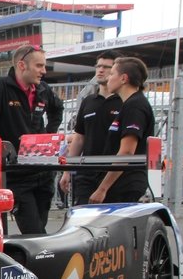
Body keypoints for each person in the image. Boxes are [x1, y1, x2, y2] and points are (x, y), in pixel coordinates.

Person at [0, 44, 63, 234]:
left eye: (44, 66)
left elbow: (57, 109)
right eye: (39, 66)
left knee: (39, 232)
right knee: (35, 233)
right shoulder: (0, 86)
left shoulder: (43, 89)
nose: (44, 71)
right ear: (22, 65)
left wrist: (48, 137)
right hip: (17, 177)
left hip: (44, 173)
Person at [58, 51, 123, 205]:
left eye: (107, 67)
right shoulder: (88, 101)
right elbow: (79, 138)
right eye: (98, 66)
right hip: (86, 173)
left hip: (114, 175)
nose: (101, 70)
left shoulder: (124, 102)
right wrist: (67, 171)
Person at [88, 57, 154, 204]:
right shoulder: (129, 104)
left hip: (125, 185)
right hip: (120, 184)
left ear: (123, 78)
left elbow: (126, 152)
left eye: (111, 74)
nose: (108, 78)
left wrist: (103, 188)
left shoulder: (135, 106)